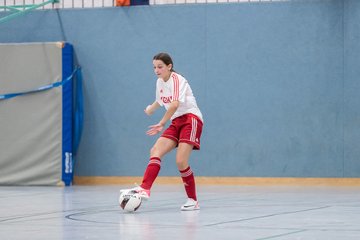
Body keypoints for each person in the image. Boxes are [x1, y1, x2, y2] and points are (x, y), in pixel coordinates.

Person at [120, 52, 204, 211]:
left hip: (190, 119)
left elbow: (173, 105)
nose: (156, 70)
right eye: (154, 67)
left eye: (160, 67)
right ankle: (145, 188)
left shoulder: (178, 79)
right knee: (155, 150)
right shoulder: (160, 82)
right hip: (176, 121)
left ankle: (193, 200)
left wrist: (161, 123)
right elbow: (161, 100)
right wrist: (150, 109)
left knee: (181, 161)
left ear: (169, 66)